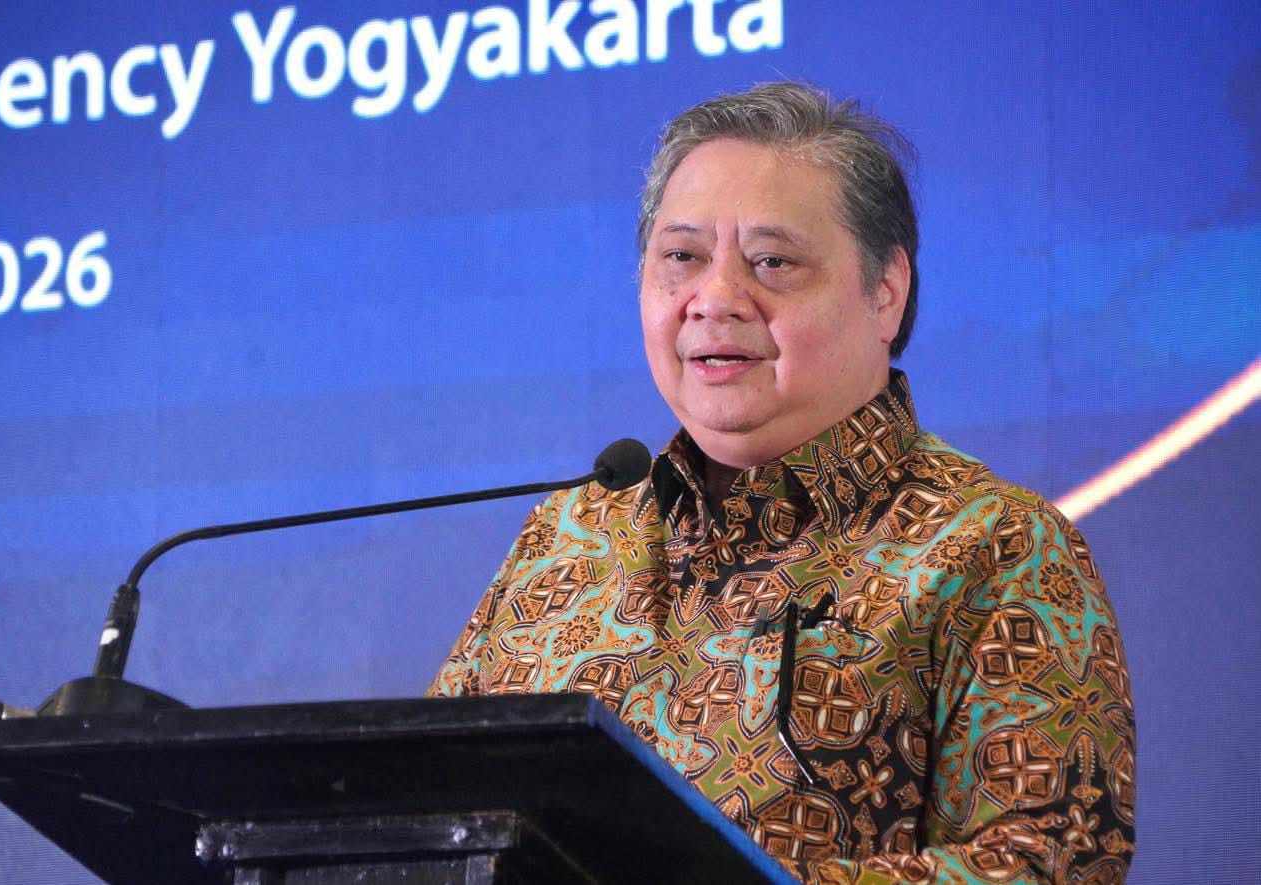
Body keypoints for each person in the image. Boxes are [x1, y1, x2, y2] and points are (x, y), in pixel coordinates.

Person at [431, 82, 1135, 884]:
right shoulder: (565, 537)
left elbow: (1048, 862)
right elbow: (418, 818)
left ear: (886, 291)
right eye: (682, 257)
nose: (715, 299)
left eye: (772, 261)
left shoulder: (994, 547)